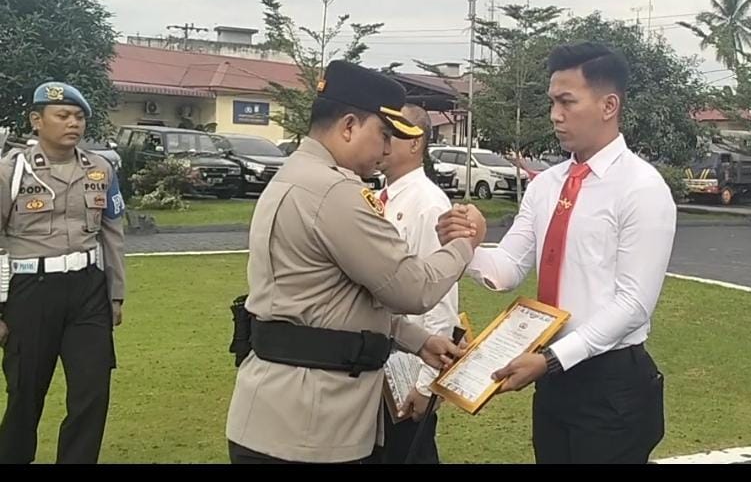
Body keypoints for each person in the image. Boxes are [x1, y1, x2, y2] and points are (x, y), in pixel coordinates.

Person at [225, 61, 482, 464]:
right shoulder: (334, 191)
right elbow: (412, 288)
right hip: (313, 426)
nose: (386, 150)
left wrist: (417, 340)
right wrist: (466, 243)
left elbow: (334, 303)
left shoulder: (295, 176)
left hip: (276, 411)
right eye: (383, 135)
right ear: (348, 126)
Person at [437, 41, 675, 464]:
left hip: (610, 381)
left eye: (567, 102)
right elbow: (507, 269)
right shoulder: (547, 184)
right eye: (552, 102)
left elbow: (634, 304)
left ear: (609, 105)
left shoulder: (641, 188)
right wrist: (465, 245)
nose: (555, 115)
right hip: (553, 378)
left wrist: (551, 359)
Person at [0, 82, 126, 464]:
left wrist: (115, 294)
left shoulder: (100, 169)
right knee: (25, 395)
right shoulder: (10, 171)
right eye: (63, 115)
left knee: (92, 391)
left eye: (79, 117)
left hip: (87, 291)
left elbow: (112, 233)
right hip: (31, 291)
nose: (74, 123)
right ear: (36, 120)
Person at [376, 104, 456, 465]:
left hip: (409, 369)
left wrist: (426, 384)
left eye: (392, 134)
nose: (382, 141)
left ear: (415, 142)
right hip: (377, 364)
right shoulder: (381, 197)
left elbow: (441, 297)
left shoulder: (428, 203)